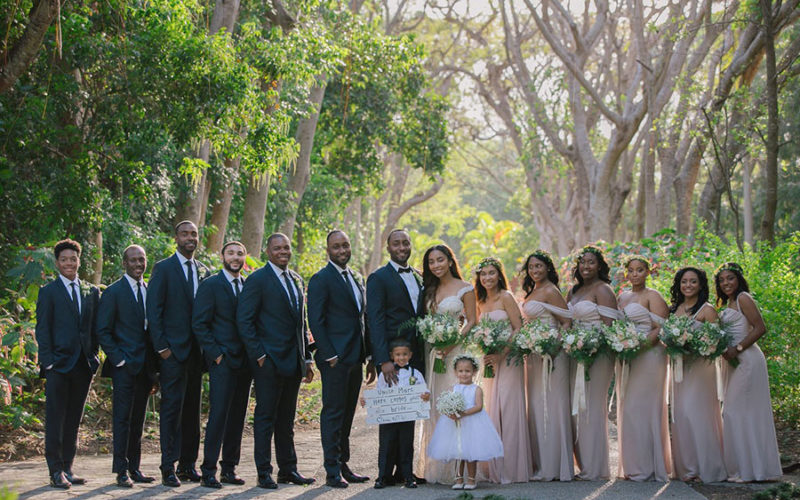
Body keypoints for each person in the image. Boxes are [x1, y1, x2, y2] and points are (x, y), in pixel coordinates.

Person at [237, 233, 315, 489]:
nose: (283, 251)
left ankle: (288, 469)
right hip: (267, 363)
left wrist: (306, 358)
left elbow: (300, 324)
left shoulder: (295, 279)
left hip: (293, 363)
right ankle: (263, 472)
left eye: (286, 247)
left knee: (286, 420)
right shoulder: (257, 279)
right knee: (265, 419)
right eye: (277, 248)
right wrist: (259, 355)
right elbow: (245, 321)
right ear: (268, 251)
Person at [307, 230, 374, 489]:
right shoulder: (321, 279)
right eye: (336, 247)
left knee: (347, 414)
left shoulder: (355, 278)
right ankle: (331, 470)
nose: (342, 250)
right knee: (333, 413)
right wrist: (329, 354)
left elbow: (361, 319)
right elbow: (316, 320)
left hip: (355, 357)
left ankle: (344, 463)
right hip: (335, 359)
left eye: (345, 245)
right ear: (328, 250)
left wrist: (367, 355)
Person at [146, 220, 209, 486]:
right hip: (172, 353)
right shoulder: (163, 268)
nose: (190, 238)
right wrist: (162, 349)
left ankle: (187, 464)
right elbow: (154, 310)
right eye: (185, 234)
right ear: (176, 238)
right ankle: (168, 466)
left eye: (193, 234)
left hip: (197, 354)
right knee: (171, 410)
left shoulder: (204, 270)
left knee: (192, 410)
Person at [35, 239, 100, 489]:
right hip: (58, 366)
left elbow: (95, 328)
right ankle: (55, 471)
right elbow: (43, 329)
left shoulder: (91, 291)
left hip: (83, 366)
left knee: (74, 419)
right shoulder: (48, 292)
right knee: (55, 419)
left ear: (79, 261)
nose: (69, 263)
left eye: (73, 259)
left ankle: (68, 468)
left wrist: (93, 356)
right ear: (57, 263)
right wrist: (48, 362)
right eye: (64, 259)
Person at [96, 244, 158, 487]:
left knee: (138, 420)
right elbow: (103, 330)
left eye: (141, 260)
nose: (138, 264)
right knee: (122, 419)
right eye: (133, 260)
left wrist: (154, 371)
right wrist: (118, 359)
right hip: (123, 367)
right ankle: (120, 471)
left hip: (145, 368)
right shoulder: (113, 292)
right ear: (124, 263)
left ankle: (135, 468)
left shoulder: (149, 289)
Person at [192, 241, 252, 488]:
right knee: (218, 416)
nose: (235, 257)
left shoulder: (248, 285)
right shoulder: (211, 285)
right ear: (222, 256)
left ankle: (229, 468)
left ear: (244, 258)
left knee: (238, 416)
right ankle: (208, 471)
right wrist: (216, 355)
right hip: (223, 361)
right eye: (231, 253)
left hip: (245, 362)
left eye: (239, 253)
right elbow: (200, 324)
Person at [715, 263, 782, 482]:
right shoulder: (727, 303)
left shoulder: (743, 297)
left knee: (736, 412)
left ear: (739, 279)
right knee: (736, 412)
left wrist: (738, 349)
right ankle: (745, 467)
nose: (726, 283)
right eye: (722, 280)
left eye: (730, 278)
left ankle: (752, 469)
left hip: (748, 360)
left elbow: (760, 328)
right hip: (732, 361)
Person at [417, 244, 476, 484]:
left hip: (456, 355)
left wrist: (453, 344)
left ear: (450, 261)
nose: (436, 265)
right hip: (434, 355)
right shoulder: (428, 289)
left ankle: (459, 469)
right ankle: (437, 468)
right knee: (436, 409)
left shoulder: (465, 288)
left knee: (456, 408)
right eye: (431, 262)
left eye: (440, 260)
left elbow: (472, 320)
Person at [475, 257, 531, 484]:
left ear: (499, 275)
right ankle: (495, 464)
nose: (487, 277)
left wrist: (501, 354)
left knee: (509, 409)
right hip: (491, 361)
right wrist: (485, 347)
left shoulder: (506, 297)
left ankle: (513, 467)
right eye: (483, 274)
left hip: (509, 360)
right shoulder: (480, 301)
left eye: (492, 273)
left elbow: (519, 328)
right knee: (493, 409)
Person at [566, 245, 620, 481]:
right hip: (576, 353)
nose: (586, 266)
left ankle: (597, 469)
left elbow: (611, 326)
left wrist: (592, 346)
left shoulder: (604, 289)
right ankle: (584, 465)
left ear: (599, 266)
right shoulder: (574, 291)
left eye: (591, 262)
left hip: (599, 354)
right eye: (582, 262)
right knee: (577, 409)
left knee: (592, 407)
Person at [520, 250, 574, 482]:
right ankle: (541, 462)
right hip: (534, 356)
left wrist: (553, 346)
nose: (535, 270)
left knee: (553, 406)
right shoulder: (533, 291)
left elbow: (567, 322)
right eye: (531, 267)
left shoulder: (551, 291)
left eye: (539, 266)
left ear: (548, 268)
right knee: (537, 406)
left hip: (553, 356)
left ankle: (556, 466)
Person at [669, 267, 727, 483]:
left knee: (697, 414)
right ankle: (687, 469)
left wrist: (694, 345)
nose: (688, 286)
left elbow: (717, 340)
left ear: (701, 285)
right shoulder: (675, 309)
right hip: (680, 368)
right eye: (684, 282)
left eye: (693, 282)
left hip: (701, 369)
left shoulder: (707, 309)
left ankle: (707, 468)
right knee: (681, 415)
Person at [616, 256, 671, 482]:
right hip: (628, 356)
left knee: (645, 408)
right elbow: (618, 325)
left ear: (648, 272)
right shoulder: (623, 297)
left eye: (640, 270)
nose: (635, 274)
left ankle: (649, 466)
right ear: (626, 274)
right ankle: (633, 465)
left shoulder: (653, 296)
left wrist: (642, 345)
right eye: (631, 270)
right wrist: (622, 344)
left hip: (650, 356)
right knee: (628, 409)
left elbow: (663, 327)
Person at [426, 355, 503, 491]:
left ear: (474, 372)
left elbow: (479, 406)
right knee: (458, 452)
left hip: (472, 423)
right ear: (456, 372)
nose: (464, 374)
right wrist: (451, 413)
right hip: (454, 425)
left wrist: (463, 413)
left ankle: (472, 479)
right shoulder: (453, 388)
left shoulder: (476, 389)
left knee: (470, 453)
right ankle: (458, 478)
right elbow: (447, 404)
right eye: (460, 371)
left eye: (467, 371)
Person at [369, 339, 430, 489]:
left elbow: (424, 390)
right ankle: (383, 476)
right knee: (386, 446)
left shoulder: (416, 373)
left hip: (407, 417)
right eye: (398, 354)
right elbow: (379, 392)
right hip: (388, 417)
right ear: (391, 356)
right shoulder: (385, 375)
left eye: (404, 354)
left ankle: (407, 476)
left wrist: (425, 396)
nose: (401, 358)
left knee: (406, 446)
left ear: (410, 355)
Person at [367, 229, 425, 378]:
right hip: (393, 357)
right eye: (396, 244)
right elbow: (375, 320)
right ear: (388, 248)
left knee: (420, 399)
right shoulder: (378, 278)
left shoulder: (418, 275)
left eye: (405, 243)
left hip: (419, 354)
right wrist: (383, 359)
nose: (401, 248)